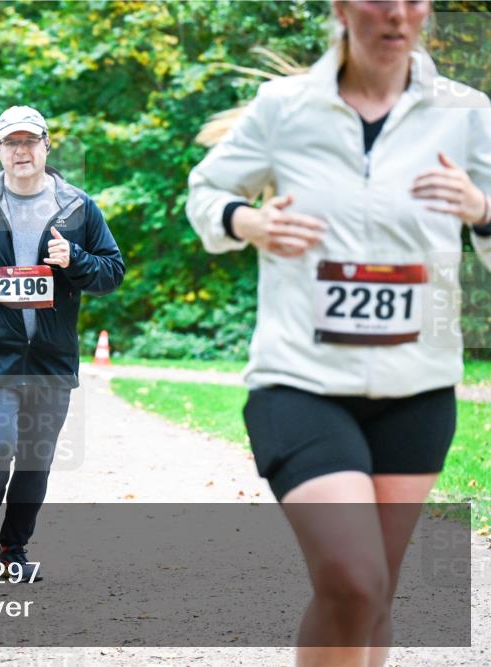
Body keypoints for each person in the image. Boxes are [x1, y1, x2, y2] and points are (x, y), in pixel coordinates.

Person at [187, 1, 491, 665]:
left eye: (413, 0)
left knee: (372, 597)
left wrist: (482, 211)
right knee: (353, 579)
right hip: (300, 379)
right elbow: (206, 193)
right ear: (343, 8)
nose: (397, 14)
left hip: (418, 387)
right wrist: (248, 221)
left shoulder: (467, 114)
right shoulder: (283, 107)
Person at [0, 105, 124, 581]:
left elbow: (111, 272)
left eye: (30, 141)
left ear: (47, 146)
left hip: (50, 359)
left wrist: (74, 258)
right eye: (11, 143)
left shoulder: (76, 206)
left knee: (35, 461)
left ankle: (14, 548)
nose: (21, 151)